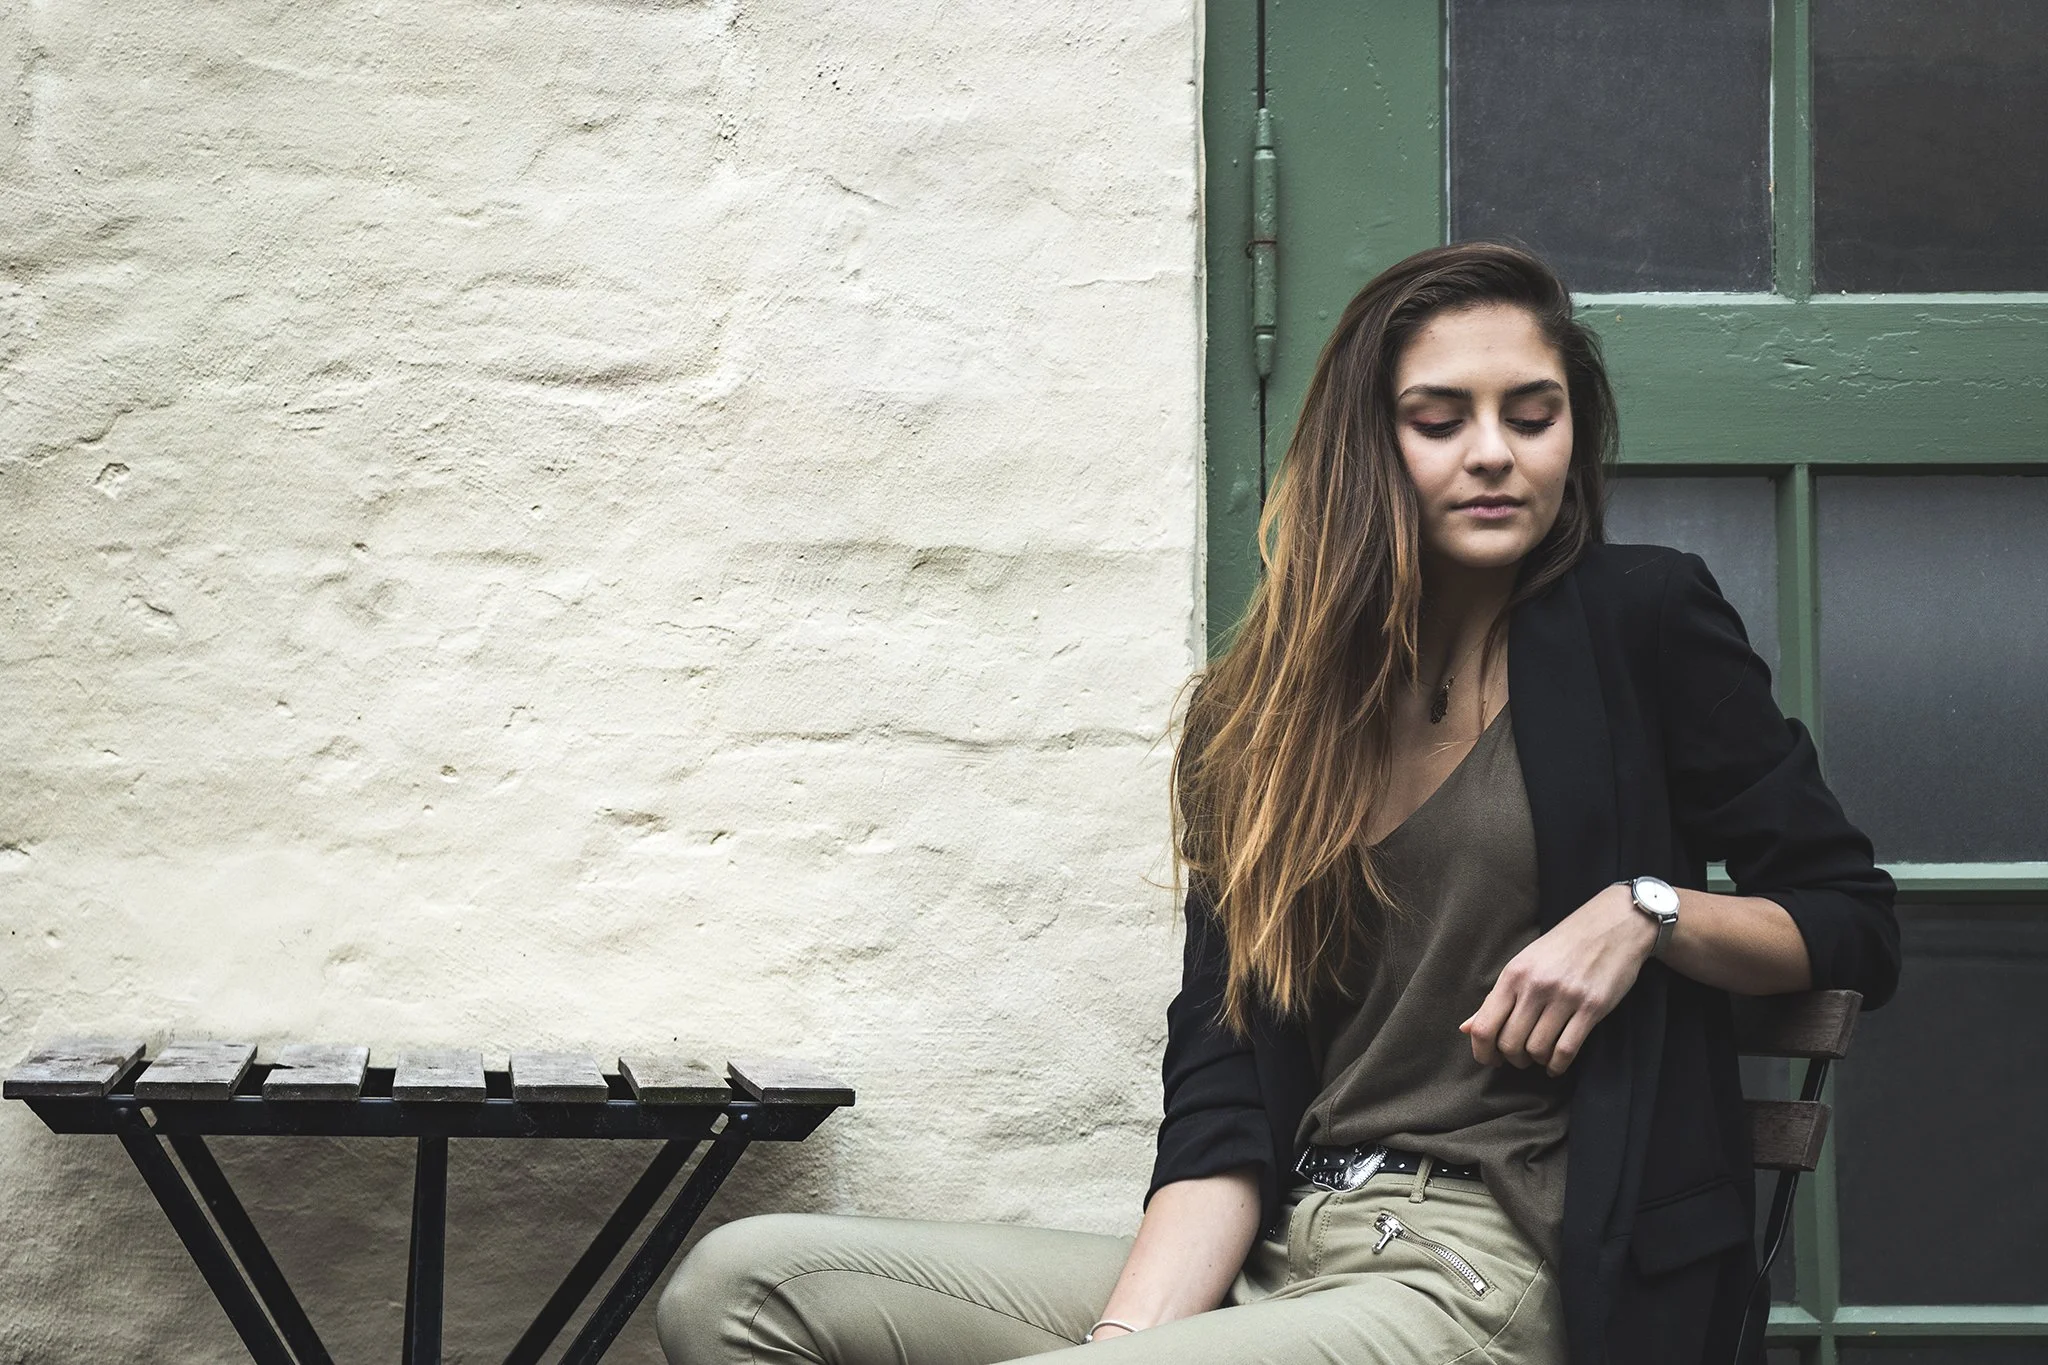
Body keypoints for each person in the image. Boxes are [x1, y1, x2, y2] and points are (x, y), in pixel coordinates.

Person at [653, 243, 1899, 1365]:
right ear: (1368, 444)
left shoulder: (1642, 622)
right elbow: (1223, 1083)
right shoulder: (1259, 719)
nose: (1492, 453)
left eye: (1532, 416)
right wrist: (1126, 1340)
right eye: (1438, 420)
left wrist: (1646, 911)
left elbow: (1850, 920)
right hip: (1289, 1247)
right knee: (742, 1287)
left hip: (1498, 1273)